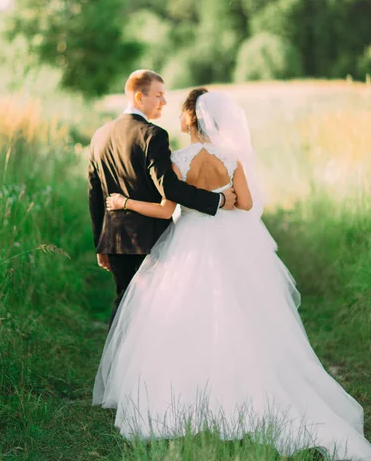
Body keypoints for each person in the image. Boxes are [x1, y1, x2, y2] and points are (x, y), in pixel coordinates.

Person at [92, 88, 371, 461]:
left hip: (188, 241)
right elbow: (248, 204)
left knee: (181, 315)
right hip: (231, 241)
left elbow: (165, 210)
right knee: (244, 312)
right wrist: (227, 200)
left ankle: (186, 396)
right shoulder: (233, 158)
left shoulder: (177, 159)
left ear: (189, 119)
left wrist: (124, 203)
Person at [88, 71, 236, 328]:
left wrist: (101, 242)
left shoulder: (99, 135)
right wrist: (217, 201)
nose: (164, 103)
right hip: (150, 238)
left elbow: (94, 193)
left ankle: (117, 366)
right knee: (153, 308)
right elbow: (169, 188)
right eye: (158, 95)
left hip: (115, 239)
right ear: (138, 96)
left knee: (123, 302)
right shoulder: (152, 135)